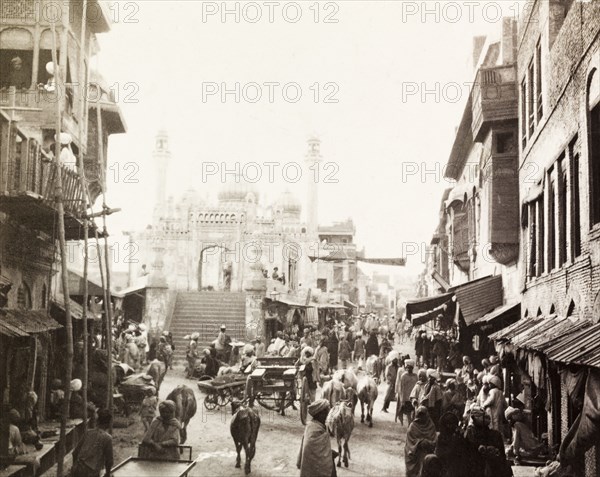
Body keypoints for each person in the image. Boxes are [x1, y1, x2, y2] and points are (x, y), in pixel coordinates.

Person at [464, 405, 513, 477]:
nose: (486, 418)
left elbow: (501, 456)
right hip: (477, 467)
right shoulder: (470, 432)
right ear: (474, 418)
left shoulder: (495, 434)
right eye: (483, 416)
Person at [297, 399, 336, 477]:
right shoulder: (314, 429)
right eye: (325, 412)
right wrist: (328, 453)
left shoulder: (313, 425)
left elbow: (318, 448)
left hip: (312, 461)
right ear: (319, 414)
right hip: (314, 462)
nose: (327, 414)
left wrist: (328, 451)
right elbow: (313, 449)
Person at [72, 409, 114, 477]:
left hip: (78, 468)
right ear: (108, 424)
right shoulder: (107, 438)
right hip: (91, 472)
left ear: (98, 421)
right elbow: (109, 461)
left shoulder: (88, 433)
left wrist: (74, 468)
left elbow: (75, 453)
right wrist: (108, 474)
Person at [435, 412, 472, 477]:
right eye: (449, 424)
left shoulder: (458, 435)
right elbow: (440, 453)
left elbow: (466, 449)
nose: (452, 426)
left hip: (459, 464)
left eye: (454, 424)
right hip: (447, 464)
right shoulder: (442, 437)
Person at [405, 406, 437, 477]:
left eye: (423, 415)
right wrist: (420, 442)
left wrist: (428, 443)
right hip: (415, 453)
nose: (421, 417)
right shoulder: (412, 427)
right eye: (420, 415)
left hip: (428, 453)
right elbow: (410, 443)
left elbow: (434, 440)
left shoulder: (431, 426)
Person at [396, 359, 418, 425]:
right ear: (406, 368)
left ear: (412, 368)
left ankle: (411, 423)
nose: (409, 369)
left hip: (413, 397)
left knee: (414, 411)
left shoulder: (415, 376)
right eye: (407, 368)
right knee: (408, 412)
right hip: (406, 398)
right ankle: (409, 423)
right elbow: (401, 388)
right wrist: (402, 398)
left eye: (410, 368)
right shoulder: (403, 376)